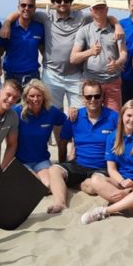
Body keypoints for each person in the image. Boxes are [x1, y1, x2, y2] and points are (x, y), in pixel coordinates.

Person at [0, 0, 123, 114]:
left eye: (66, 0)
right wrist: (7, 22)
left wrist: (117, 25)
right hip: (52, 75)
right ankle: (59, 135)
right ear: (54, 3)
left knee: (79, 113)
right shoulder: (46, 17)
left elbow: (102, 15)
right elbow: (24, 12)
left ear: (71, 2)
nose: (62, 3)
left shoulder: (82, 17)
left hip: (75, 75)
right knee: (53, 113)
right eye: (59, 1)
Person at [80, 100, 133, 224]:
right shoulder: (113, 137)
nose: (131, 120)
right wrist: (122, 182)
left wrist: (128, 190)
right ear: (122, 115)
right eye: (129, 115)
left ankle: (105, 210)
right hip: (121, 182)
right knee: (95, 179)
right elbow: (111, 169)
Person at [48, 80, 119, 213]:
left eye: (97, 96)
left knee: (92, 187)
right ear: (82, 98)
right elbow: (63, 142)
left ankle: (75, 183)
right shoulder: (75, 117)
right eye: (88, 97)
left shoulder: (113, 117)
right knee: (54, 170)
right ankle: (60, 203)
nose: (93, 100)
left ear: (102, 97)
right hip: (79, 164)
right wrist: (64, 163)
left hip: (101, 167)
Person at [70, 0, 127, 112]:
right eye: (96, 8)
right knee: (89, 116)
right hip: (90, 83)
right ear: (91, 10)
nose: (99, 10)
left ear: (107, 9)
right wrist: (90, 52)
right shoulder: (84, 31)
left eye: (102, 7)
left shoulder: (117, 30)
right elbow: (73, 58)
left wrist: (118, 63)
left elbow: (124, 53)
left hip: (112, 81)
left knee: (113, 118)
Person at [12, 80, 67, 188]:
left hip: (41, 161)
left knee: (48, 187)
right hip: (21, 162)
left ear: (44, 96)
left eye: (39, 95)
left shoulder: (51, 112)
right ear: (26, 97)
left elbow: (69, 123)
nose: (35, 99)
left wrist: (74, 112)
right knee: (36, 187)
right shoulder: (17, 112)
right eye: (32, 96)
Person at [0, 0, 44, 86]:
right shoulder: (8, 28)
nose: (26, 8)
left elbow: (43, 50)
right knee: (13, 101)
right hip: (11, 75)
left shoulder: (39, 28)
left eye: (30, 6)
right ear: (18, 7)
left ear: (35, 8)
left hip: (33, 75)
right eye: (23, 5)